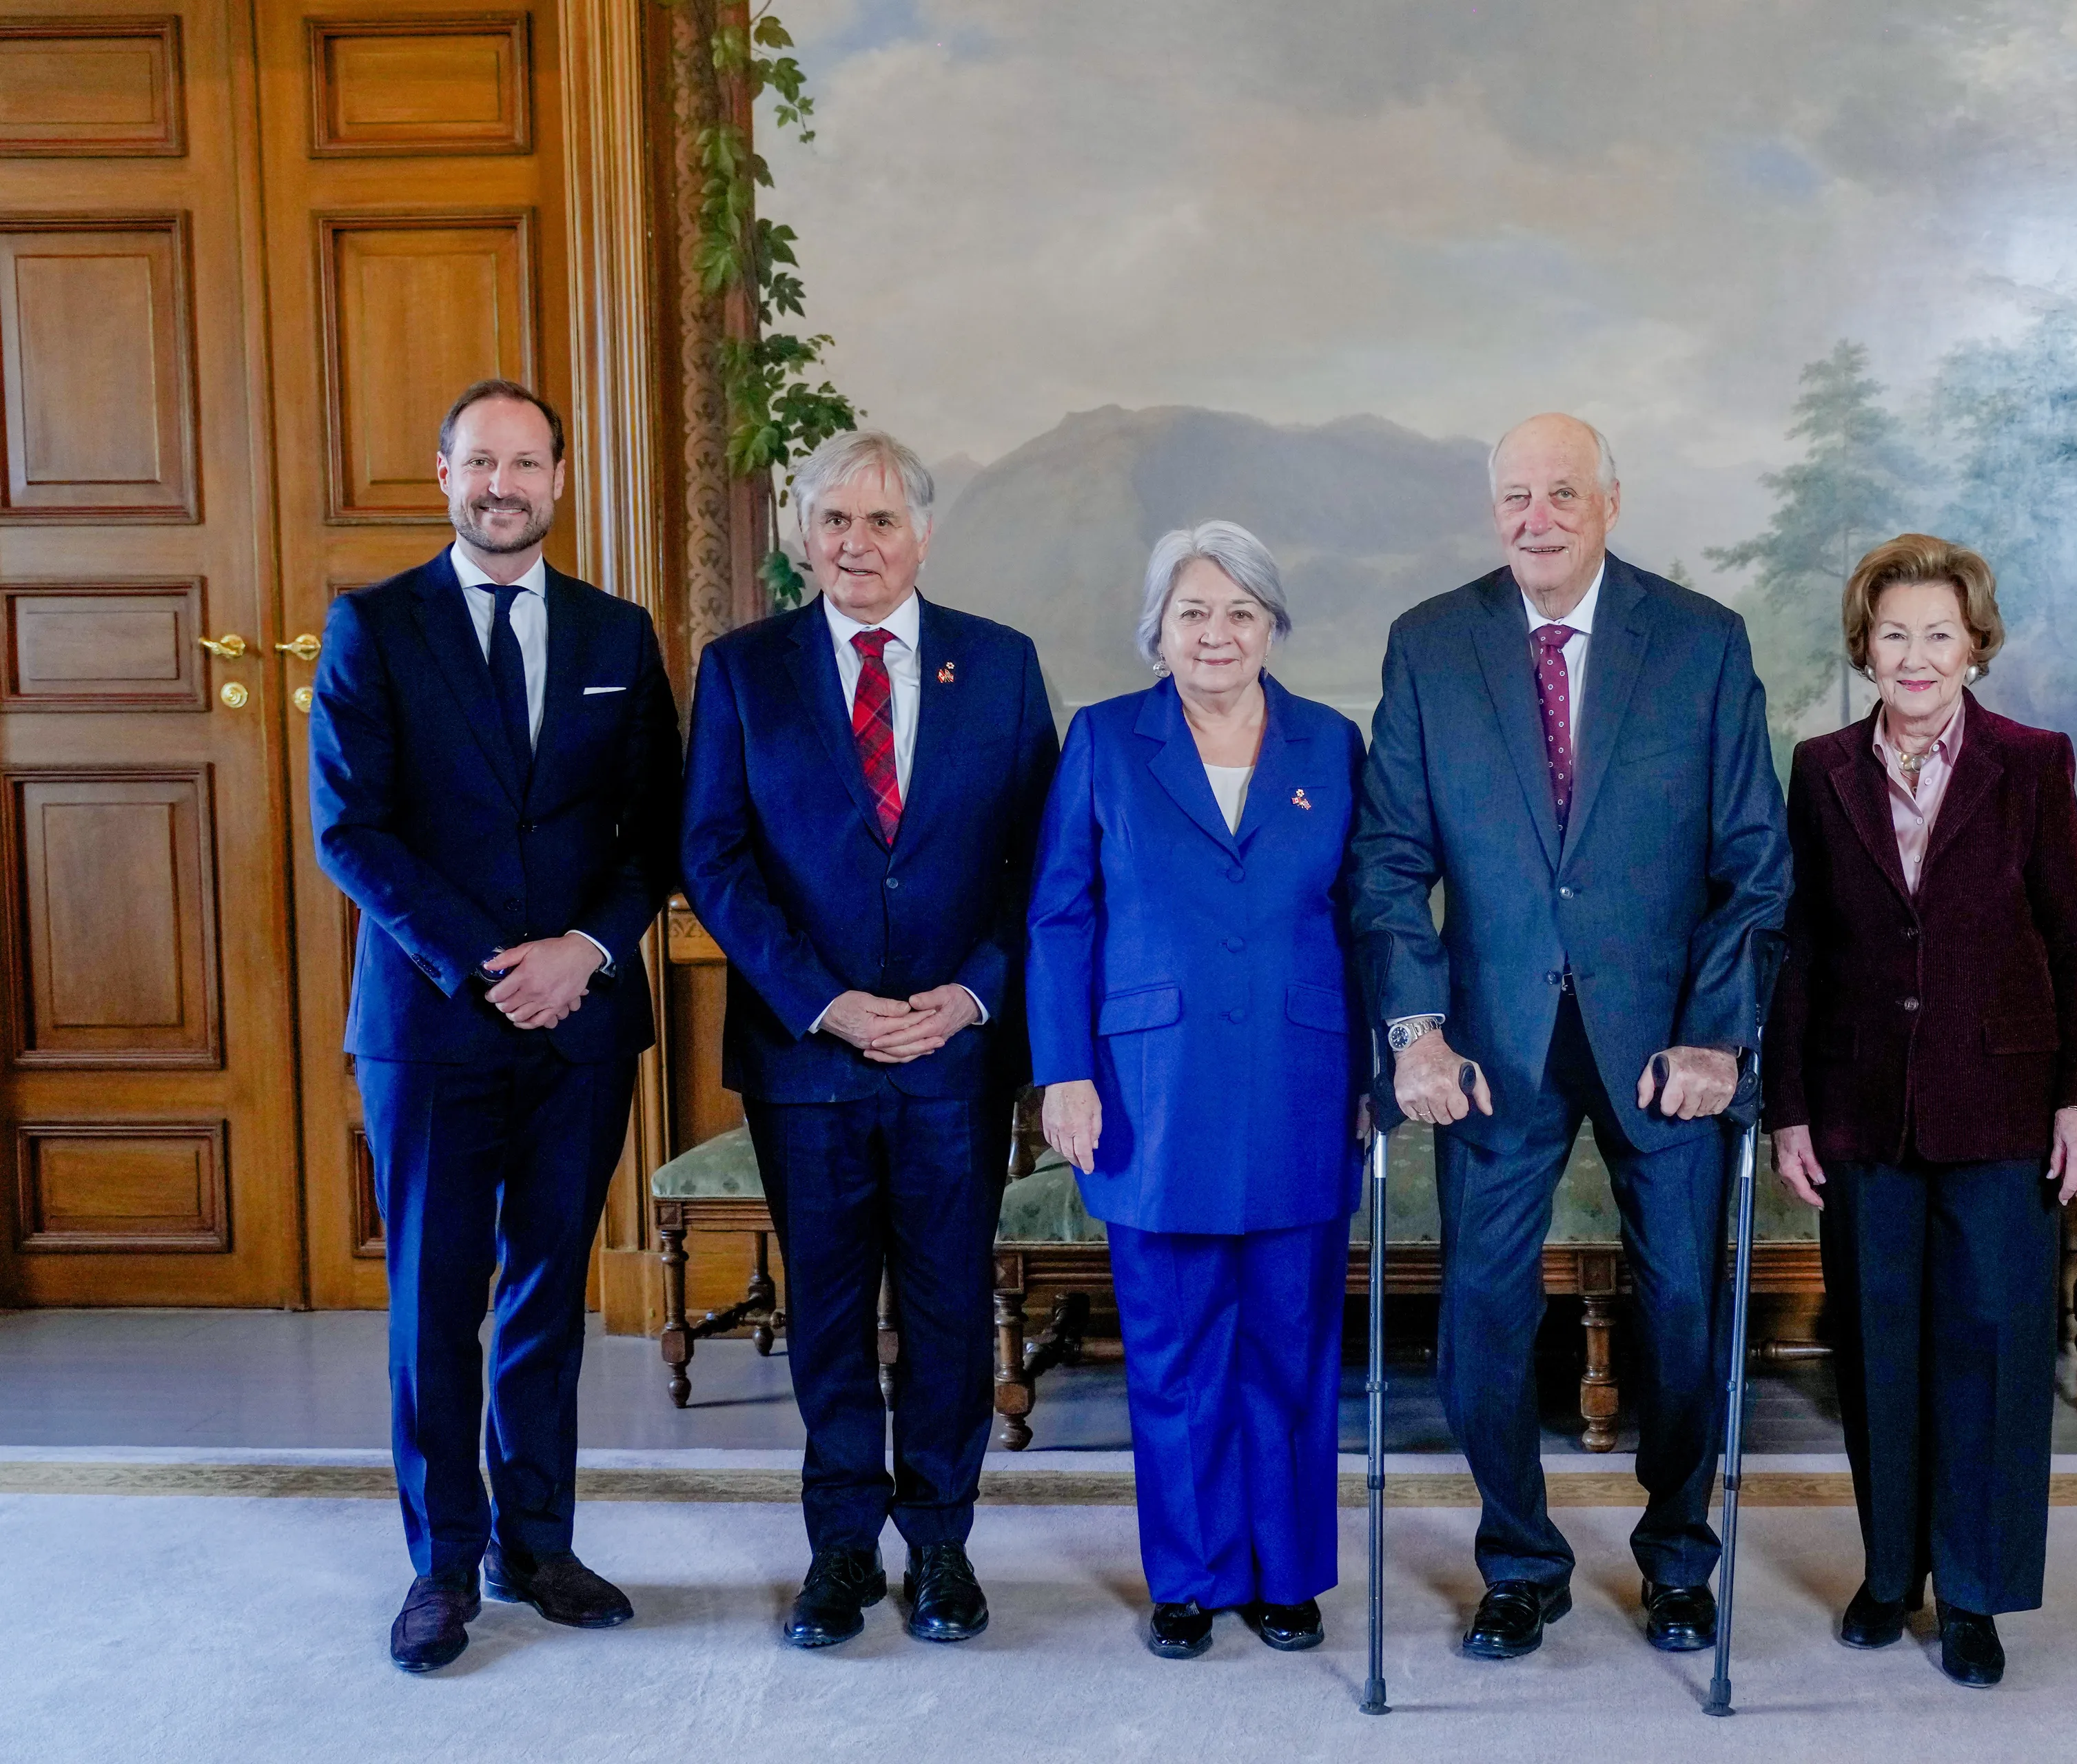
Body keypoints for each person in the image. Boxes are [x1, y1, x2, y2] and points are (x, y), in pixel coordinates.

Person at [1347, 413, 1791, 1661]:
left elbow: (1756, 865)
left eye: (1562, 494)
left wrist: (1716, 1037)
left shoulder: (1701, 644)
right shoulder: (1432, 645)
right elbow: (1389, 859)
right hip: (1490, 1046)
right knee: (1481, 1311)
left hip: (1666, 1043)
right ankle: (1521, 1560)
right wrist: (1417, 1035)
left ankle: (1679, 1557)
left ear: (1610, 502)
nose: (1536, 517)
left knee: (1686, 1308)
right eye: (1516, 497)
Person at [310, 378, 682, 1672]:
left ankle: (540, 1542)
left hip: (579, 1021)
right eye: (480, 462)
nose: (502, 485)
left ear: (561, 481)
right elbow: (351, 831)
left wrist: (581, 952)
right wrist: (486, 964)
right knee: (435, 1300)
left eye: (526, 463)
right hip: (431, 1025)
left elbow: (654, 835)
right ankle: (441, 1565)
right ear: (443, 472)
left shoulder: (618, 637)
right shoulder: (373, 627)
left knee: (546, 1293)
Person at [680, 429, 1058, 1652]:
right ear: (804, 537)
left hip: (954, 1053)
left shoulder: (999, 669)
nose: (857, 544)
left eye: (881, 522)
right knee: (831, 1309)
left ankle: (941, 1545)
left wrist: (973, 994)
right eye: (834, 521)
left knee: (950, 1305)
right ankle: (841, 1548)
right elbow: (715, 857)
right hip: (809, 1055)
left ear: (922, 537)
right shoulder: (743, 671)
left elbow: (1043, 867)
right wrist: (823, 1001)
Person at [1764, 533, 2077, 1689]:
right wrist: (1791, 1109)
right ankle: (1889, 1572)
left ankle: (1975, 1593)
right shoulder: (1820, 769)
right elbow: (1801, 947)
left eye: (1939, 634)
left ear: (1975, 647)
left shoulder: (2031, 762)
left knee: (1995, 1348)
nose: (1915, 655)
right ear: (1865, 648)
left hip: (2005, 1104)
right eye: (1893, 634)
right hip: (1861, 1107)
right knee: (1876, 1352)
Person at [1025, 523, 1368, 1661]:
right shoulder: (1106, 742)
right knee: (1172, 1352)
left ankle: (1286, 1573)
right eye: (1193, 614)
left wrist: (1371, 1070)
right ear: (1157, 632)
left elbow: (1370, 917)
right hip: (1148, 1090)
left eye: (1240, 613)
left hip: (1300, 1081)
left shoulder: (1333, 743)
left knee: (1289, 1346)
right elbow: (1062, 915)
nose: (1216, 635)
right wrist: (1064, 1071)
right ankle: (1190, 1574)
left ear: (1272, 626)